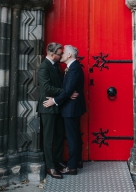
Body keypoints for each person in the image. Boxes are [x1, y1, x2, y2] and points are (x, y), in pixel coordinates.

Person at [43, 45, 86, 175]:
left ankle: (72, 167)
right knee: (74, 136)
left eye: (63, 53)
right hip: (70, 107)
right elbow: (67, 90)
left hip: (71, 109)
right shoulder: (71, 68)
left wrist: (54, 101)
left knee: (72, 137)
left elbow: (68, 91)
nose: (61, 55)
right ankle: (77, 161)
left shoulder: (74, 69)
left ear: (68, 55)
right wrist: (65, 94)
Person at [37, 42, 66, 179]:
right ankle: (50, 167)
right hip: (47, 106)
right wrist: (66, 92)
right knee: (48, 139)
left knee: (60, 135)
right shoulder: (44, 67)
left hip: (57, 104)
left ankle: (58, 160)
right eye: (59, 54)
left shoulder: (56, 65)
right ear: (52, 54)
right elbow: (47, 88)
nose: (61, 56)